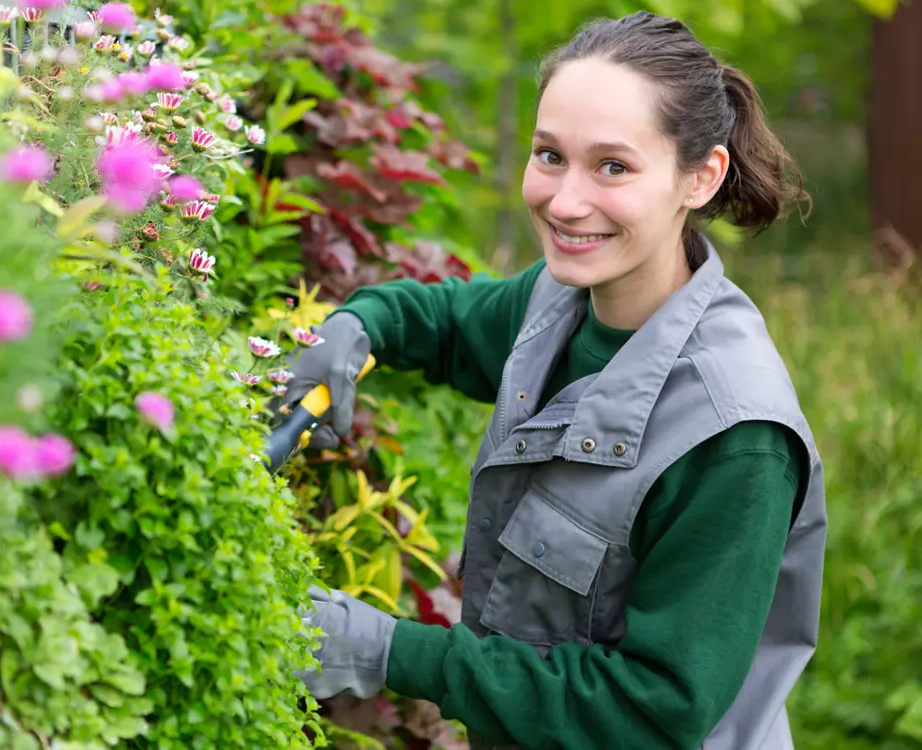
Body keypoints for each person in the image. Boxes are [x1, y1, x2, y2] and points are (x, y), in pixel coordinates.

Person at [284, 11, 826, 750]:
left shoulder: (734, 438)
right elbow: (446, 320)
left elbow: (652, 713)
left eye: (614, 167)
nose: (566, 202)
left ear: (701, 177)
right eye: (549, 156)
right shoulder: (564, 299)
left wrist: (396, 653)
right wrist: (357, 326)